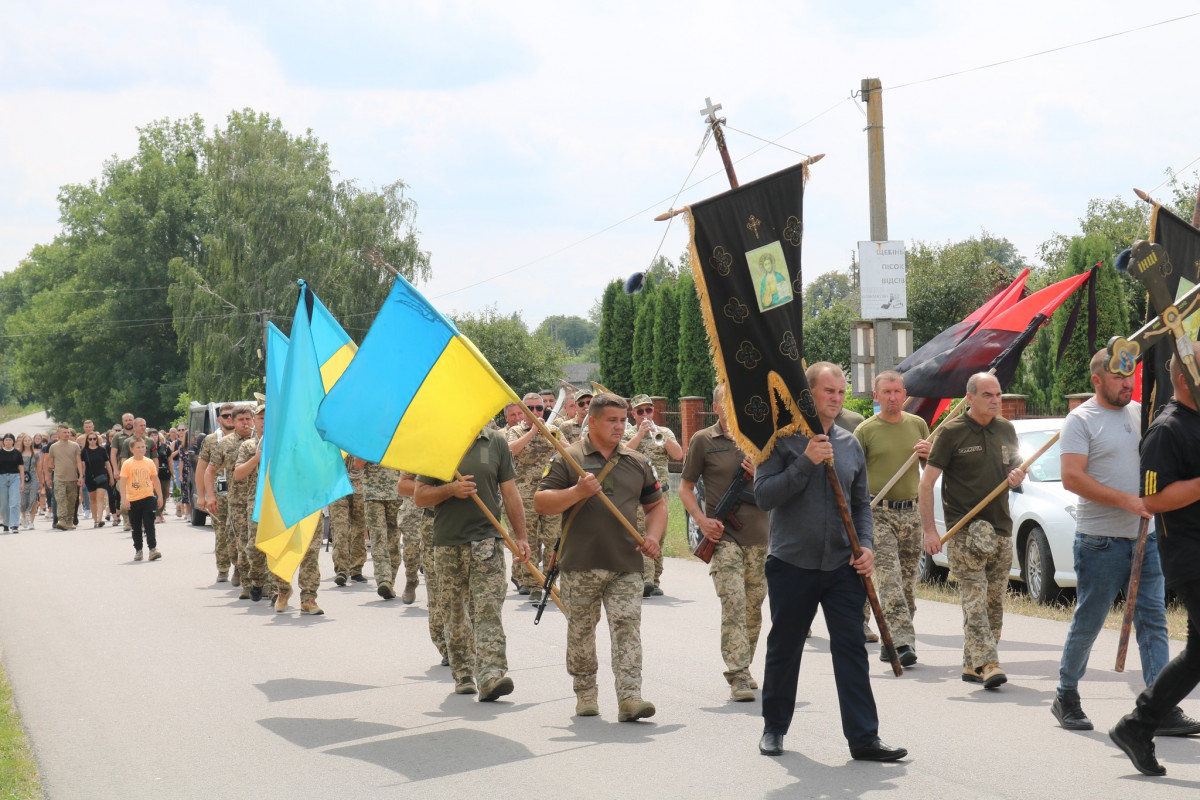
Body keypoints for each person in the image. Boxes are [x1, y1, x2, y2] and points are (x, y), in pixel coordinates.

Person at [753, 362, 904, 761]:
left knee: (852, 648)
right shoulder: (780, 441)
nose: (836, 398)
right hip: (792, 563)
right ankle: (775, 727)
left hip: (842, 565)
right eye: (828, 391)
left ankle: (864, 738)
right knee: (785, 648)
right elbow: (765, 495)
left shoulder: (850, 444)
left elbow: (860, 505)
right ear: (809, 394)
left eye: (841, 392)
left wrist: (867, 546)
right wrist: (806, 461)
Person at [535, 392, 665, 721]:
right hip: (580, 563)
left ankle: (630, 696)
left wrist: (652, 536)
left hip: (626, 563)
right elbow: (542, 502)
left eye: (623, 420)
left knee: (627, 628)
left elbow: (657, 505)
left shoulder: (636, 461)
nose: (620, 426)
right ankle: (586, 693)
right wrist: (577, 491)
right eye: (612, 420)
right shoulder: (569, 458)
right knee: (581, 630)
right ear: (591, 422)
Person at [1109, 341, 1200, 777]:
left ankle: (1137, 725)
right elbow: (1153, 499)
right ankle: (1138, 724)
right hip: (1191, 555)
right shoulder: (1167, 429)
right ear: (1185, 378)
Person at [920, 372, 1024, 689]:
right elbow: (927, 484)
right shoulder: (951, 433)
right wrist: (929, 531)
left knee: (994, 601)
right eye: (988, 395)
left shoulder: (1006, 429)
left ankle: (972, 665)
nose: (996, 401)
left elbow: (1014, 465)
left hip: (1000, 528)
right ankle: (988, 662)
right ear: (970, 398)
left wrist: (1017, 475)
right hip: (964, 529)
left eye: (998, 395)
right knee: (974, 597)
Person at [415, 426, 530, 701]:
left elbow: (511, 493)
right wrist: (451, 489)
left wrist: (522, 536)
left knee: (489, 608)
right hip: (448, 541)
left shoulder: (497, 442)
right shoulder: (439, 441)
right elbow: (420, 496)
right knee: (455, 610)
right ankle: (463, 673)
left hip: (487, 539)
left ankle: (491, 675)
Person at [680, 383, 768, 702]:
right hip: (723, 536)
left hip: (760, 537)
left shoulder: (762, 441)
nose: (734, 409)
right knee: (733, 602)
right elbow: (685, 488)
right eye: (726, 404)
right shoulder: (703, 440)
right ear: (716, 408)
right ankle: (738, 673)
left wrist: (760, 472)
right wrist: (701, 521)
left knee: (753, 606)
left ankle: (745, 664)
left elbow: (783, 484)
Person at [854, 371, 931, 667]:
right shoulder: (865, 430)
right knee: (888, 579)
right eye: (886, 392)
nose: (893, 397)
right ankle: (902, 642)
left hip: (910, 512)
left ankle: (891, 641)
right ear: (876, 396)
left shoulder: (918, 425)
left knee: (908, 585)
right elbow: (853, 475)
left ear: (905, 394)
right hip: (877, 512)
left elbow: (931, 469)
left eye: (898, 391)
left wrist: (929, 453)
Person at [626, 394, 683, 597]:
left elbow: (678, 454)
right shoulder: (628, 433)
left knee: (660, 536)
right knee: (644, 535)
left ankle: (655, 580)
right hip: (638, 495)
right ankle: (646, 579)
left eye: (648, 410)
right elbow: (620, 453)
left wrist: (660, 435)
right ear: (633, 414)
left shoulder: (664, 432)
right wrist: (640, 435)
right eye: (639, 411)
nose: (644, 415)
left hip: (662, 493)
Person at [506, 392, 559, 600]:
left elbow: (570, 452)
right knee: (530, 541)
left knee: (553, 539)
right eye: (531, 409)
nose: (536, 412)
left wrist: (548, 434)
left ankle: (550, 582)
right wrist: (533, 431)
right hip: (525, 496)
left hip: (551, 493)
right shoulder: (515, 431)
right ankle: (533, 585)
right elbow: (511, 451)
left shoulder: (553, 430)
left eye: (540, 408)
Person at [206, 406, 254, 599]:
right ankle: (239, 568)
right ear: (233, 422)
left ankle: (253, 583)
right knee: (235, 544)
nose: (245, 422)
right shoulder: (225, 444)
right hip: (236, 501)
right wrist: (210, 496)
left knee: (255, 543)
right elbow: (210, 470)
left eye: (248, 419)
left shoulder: (258, 441)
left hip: (258, 498)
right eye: (241, 419)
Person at [196, 405, 237, 582]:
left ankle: (240, 568)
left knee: (239, 532)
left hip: (241, 493)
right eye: (225, 416)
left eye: (232, 415)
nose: (229, 418)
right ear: (219, 419)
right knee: (221, 532)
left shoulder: (246, 438)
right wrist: (202, 495)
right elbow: (202, 468)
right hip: (219, 493)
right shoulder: (212, 440)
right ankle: (223, 568)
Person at [361, 460, 405, 600]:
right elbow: (358, 463)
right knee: (383, 538)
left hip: (391, 492)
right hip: (380, 493)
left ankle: (387, 580)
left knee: (389, 539)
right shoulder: (371, 437)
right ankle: (385, 580)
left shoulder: (396, 437)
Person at [120, 438, 164, 561]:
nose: (141, 449)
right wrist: (124, 499)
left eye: (143, 447)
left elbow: (155, 479)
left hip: (148, 497)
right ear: (132, 449)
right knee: (136, 526)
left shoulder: (149, 462)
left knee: (149, 524)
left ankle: (152, 549)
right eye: (138, 447)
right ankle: (138, 550)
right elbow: (123, 482)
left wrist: (160, 496)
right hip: (133, 499)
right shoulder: (127, 464)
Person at [329, 453, 368, 586]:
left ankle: (356, 569)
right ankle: (341, 570)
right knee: (340, 528)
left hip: (359, 483)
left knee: (358, 527)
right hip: (337, 483)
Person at [46, 425, 82, 531]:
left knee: (71, 500)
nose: (67, 434)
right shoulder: (53, 447)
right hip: (58, 478)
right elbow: (50, 463)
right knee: (61, 499)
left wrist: (81, 476)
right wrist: (48, 478)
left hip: (72, 478)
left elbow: (79, 461)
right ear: (58, 434)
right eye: (64, 432)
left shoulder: (75, 446)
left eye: (68, 432)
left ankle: (69, 521)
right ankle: (62, 520)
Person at [79, 430, 113, 529]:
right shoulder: (84, 451)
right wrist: (81, 476)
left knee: (100, 498)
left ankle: (100, 519)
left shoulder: (102, 450)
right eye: (90, 439)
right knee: (93, 499)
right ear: (87, 440)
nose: (93, 440)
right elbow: (82, 465)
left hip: (102, 476)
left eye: (94, 439)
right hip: (90, 478)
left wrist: (111, 477)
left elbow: (107, 464)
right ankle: (95, 520)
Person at [0, 433, 23, 532]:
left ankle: (14, 525)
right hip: (2, 478)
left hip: (15, 478)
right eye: (6, 440)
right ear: (3, 442)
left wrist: (22, 482)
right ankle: (6, 523)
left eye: (10, 440)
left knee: (14, 501)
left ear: (13, 442)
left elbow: (21, 468)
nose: (8, 442)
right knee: (4, 503)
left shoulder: (17, 453)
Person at [17, 434, 40, 530]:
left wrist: (40, 480)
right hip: (21, 478)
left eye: (29, 440)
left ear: (31, 442)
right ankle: (23, 516)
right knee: (22, 500)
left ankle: (31, 521)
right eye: (25, 440)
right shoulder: (18, 453)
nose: (27, 442)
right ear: (22, 442)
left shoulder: (35, 454)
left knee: (33, 499)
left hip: (33, 477)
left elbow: (38, 468)